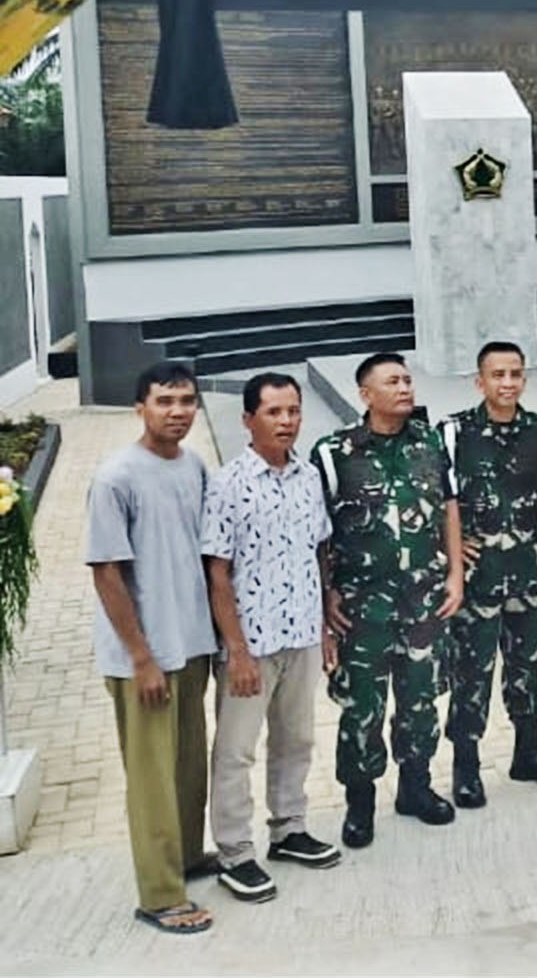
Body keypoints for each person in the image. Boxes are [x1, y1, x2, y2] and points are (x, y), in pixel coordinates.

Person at [86, 361, 218, 935]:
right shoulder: (116, 477)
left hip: (191, 646)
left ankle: (187, 857)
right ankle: (160, 896)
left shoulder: (196, 467)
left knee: (189, 766)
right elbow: (107, 574)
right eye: (164, 401)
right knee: (150, 779)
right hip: (143, 657)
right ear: (140, 407)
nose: (177, 412)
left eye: (186, 401)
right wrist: (140, 657)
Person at [311, 352, 463, 848]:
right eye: (391, 381)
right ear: (365, 394)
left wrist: (457, 574)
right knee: (362, 709)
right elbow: (318, 535)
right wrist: (325, 596)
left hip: (423, 602)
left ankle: (416, 788)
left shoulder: (430, 442)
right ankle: (360, 804)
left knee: (420, 701)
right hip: (363, 609)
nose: (404, 387)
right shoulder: (335, 453)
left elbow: (448, 509)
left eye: (407, 379)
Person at [202, 372, 340, 905]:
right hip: (251, 644)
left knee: (296, 740)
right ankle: (236, 854)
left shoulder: (308, 477)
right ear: (247, 421)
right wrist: (235, 650)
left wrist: (326, 624)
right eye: (274, 413)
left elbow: (320, 552)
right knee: (236, 752)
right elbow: (217, 572)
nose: (286, 422)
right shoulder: (228, 483)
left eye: (293, 411)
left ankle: (289, 830)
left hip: (302, 635)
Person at [440, 341, 537, 811]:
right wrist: (451, 550)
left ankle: (529, 753)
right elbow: (441, 500)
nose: (507, 383)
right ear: (480, 381)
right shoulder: (454, 433)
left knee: (527, 666)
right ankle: (466, 767)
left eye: (515, 374)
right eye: (497, 375)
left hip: (525, 572)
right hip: (478, 578)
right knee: (471, 671)